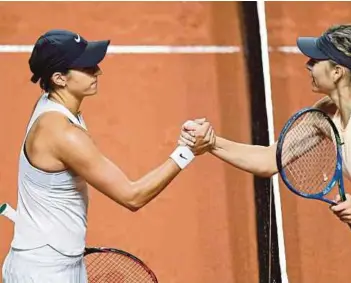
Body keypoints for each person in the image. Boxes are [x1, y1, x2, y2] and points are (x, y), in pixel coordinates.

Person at [180, 24, 351, 283]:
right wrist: (211, 144)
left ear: (337, 72)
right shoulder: (325, 113)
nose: (308, 65)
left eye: (315, 61)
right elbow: (270, 160)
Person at [1, 29, 213, 282]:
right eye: (87, 68)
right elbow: (132, 196)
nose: (98, 72)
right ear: (59, 78)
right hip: (44, 273)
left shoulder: (52, 105)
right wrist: (186, 151)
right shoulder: (62, 134)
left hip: (55, 262)